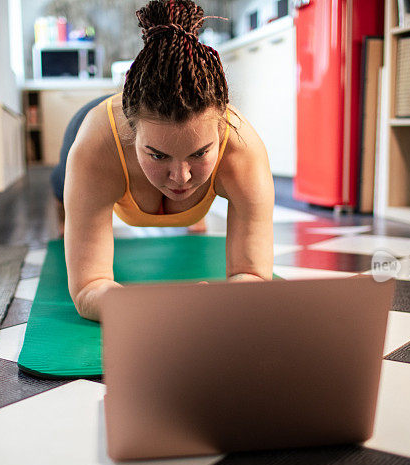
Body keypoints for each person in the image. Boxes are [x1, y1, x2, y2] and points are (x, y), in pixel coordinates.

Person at [55, 0, 274, 322]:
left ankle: (187, 210)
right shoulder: (97, 147)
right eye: (158, 155)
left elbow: (254, 275)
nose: (181, 177)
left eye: (199, 153)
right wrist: (153, 307)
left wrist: (224, 300)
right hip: (98, 133)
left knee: (186, 199)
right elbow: (88, 288)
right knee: (60, 190)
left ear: (221, 128)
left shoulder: (242, 150)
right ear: (132, 134)